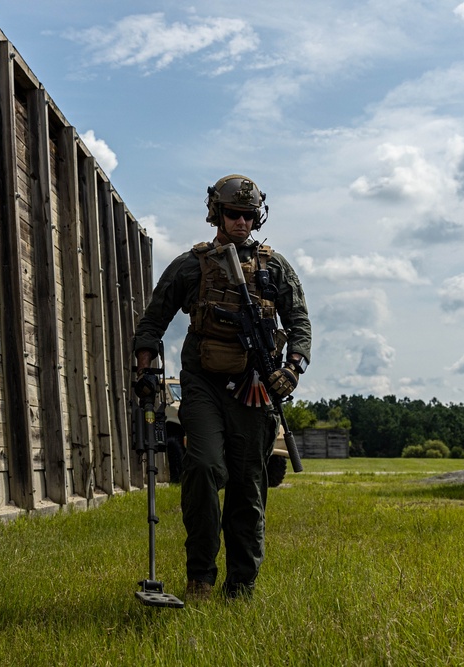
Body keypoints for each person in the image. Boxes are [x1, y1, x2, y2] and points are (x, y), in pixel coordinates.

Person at [131, 174, 312, 601]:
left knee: (249, 486)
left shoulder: (275, 267)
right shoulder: (193, 264)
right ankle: (200, 578)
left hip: (254, 387)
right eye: (234, 214)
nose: (242, 222)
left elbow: (300, 323)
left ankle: (241, 587)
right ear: (217, 212)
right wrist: (144, 367)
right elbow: (154, 319)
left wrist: (293, 368)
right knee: (205, 467)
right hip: (204, 384)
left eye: (249, 215)